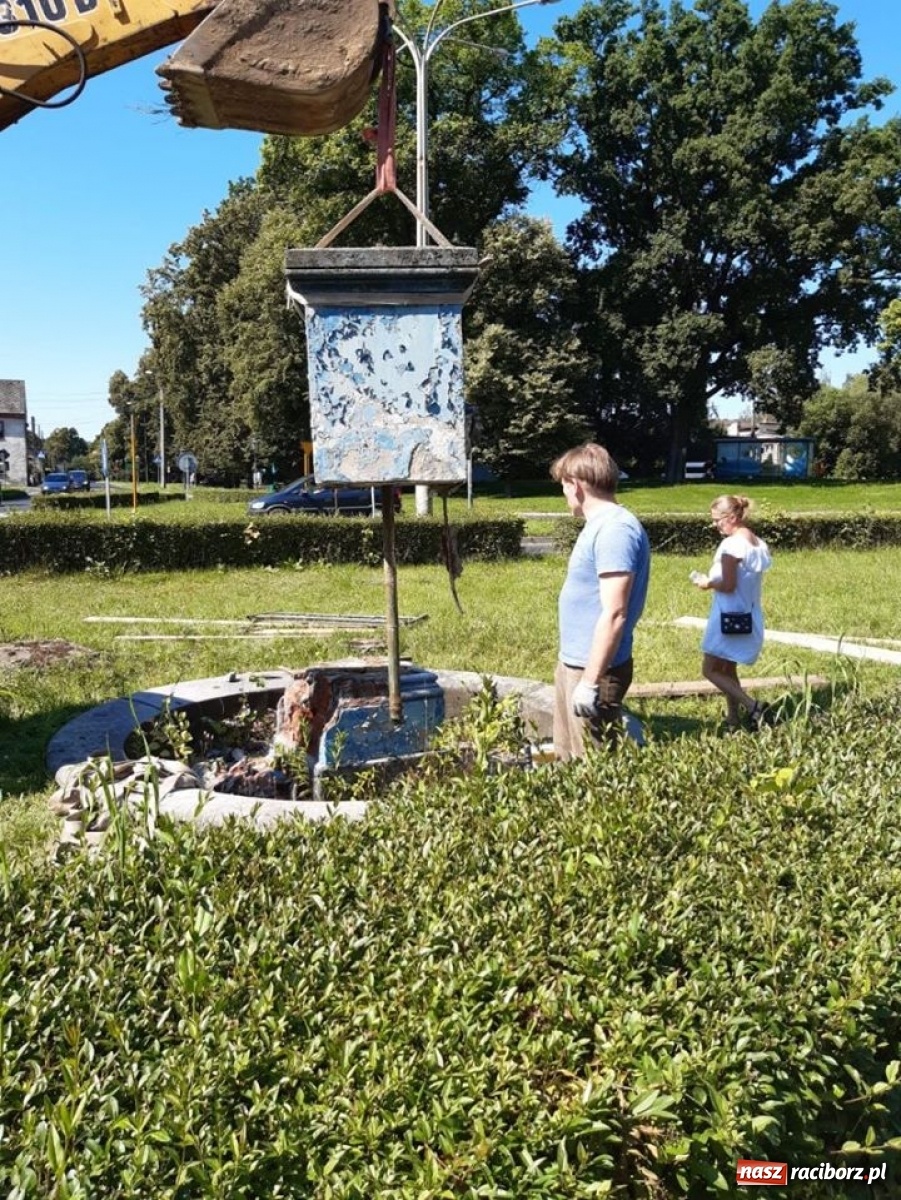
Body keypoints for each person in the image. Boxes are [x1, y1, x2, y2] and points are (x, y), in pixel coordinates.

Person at [550, 443, 651, 760]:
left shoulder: (614, 530)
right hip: (576, 662)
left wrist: (590, 683)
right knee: (568, 759)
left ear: (575, 485)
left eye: (563, 485)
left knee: (594, 767)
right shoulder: (599, 525)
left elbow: (615, 613)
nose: (563, 493)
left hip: (595, 670)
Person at [691, 494, 772, 731]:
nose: (715, 525)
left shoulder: (731, 545)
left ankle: (753, 706)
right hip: (746, 614)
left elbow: (727, 585)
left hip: (727, 616)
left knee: (710, 670)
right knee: (728, 668)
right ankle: (733, 718)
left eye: (718, 520)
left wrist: (708, 583)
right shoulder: (757, 543)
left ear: (733, 517)